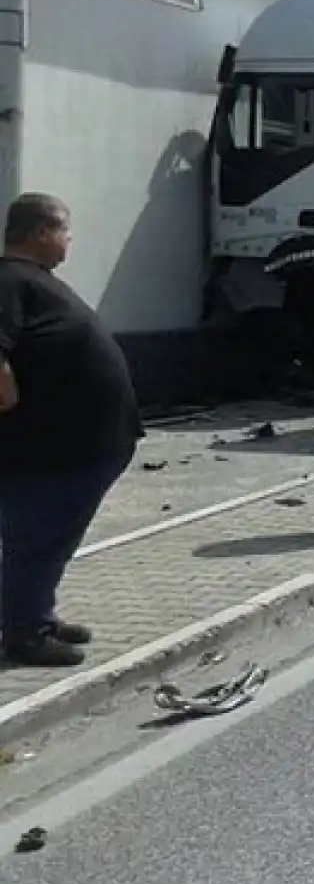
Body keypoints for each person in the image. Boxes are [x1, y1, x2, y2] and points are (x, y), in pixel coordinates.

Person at [0, 194, 142, 668]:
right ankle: (25, 633)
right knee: (38, 538)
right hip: (49, 448)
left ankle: (33, 612)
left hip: (80, 445)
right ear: (40, 233)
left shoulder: (34, 282)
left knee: (54, 537)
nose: (69, 241)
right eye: (65, 230)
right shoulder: (9, 280)